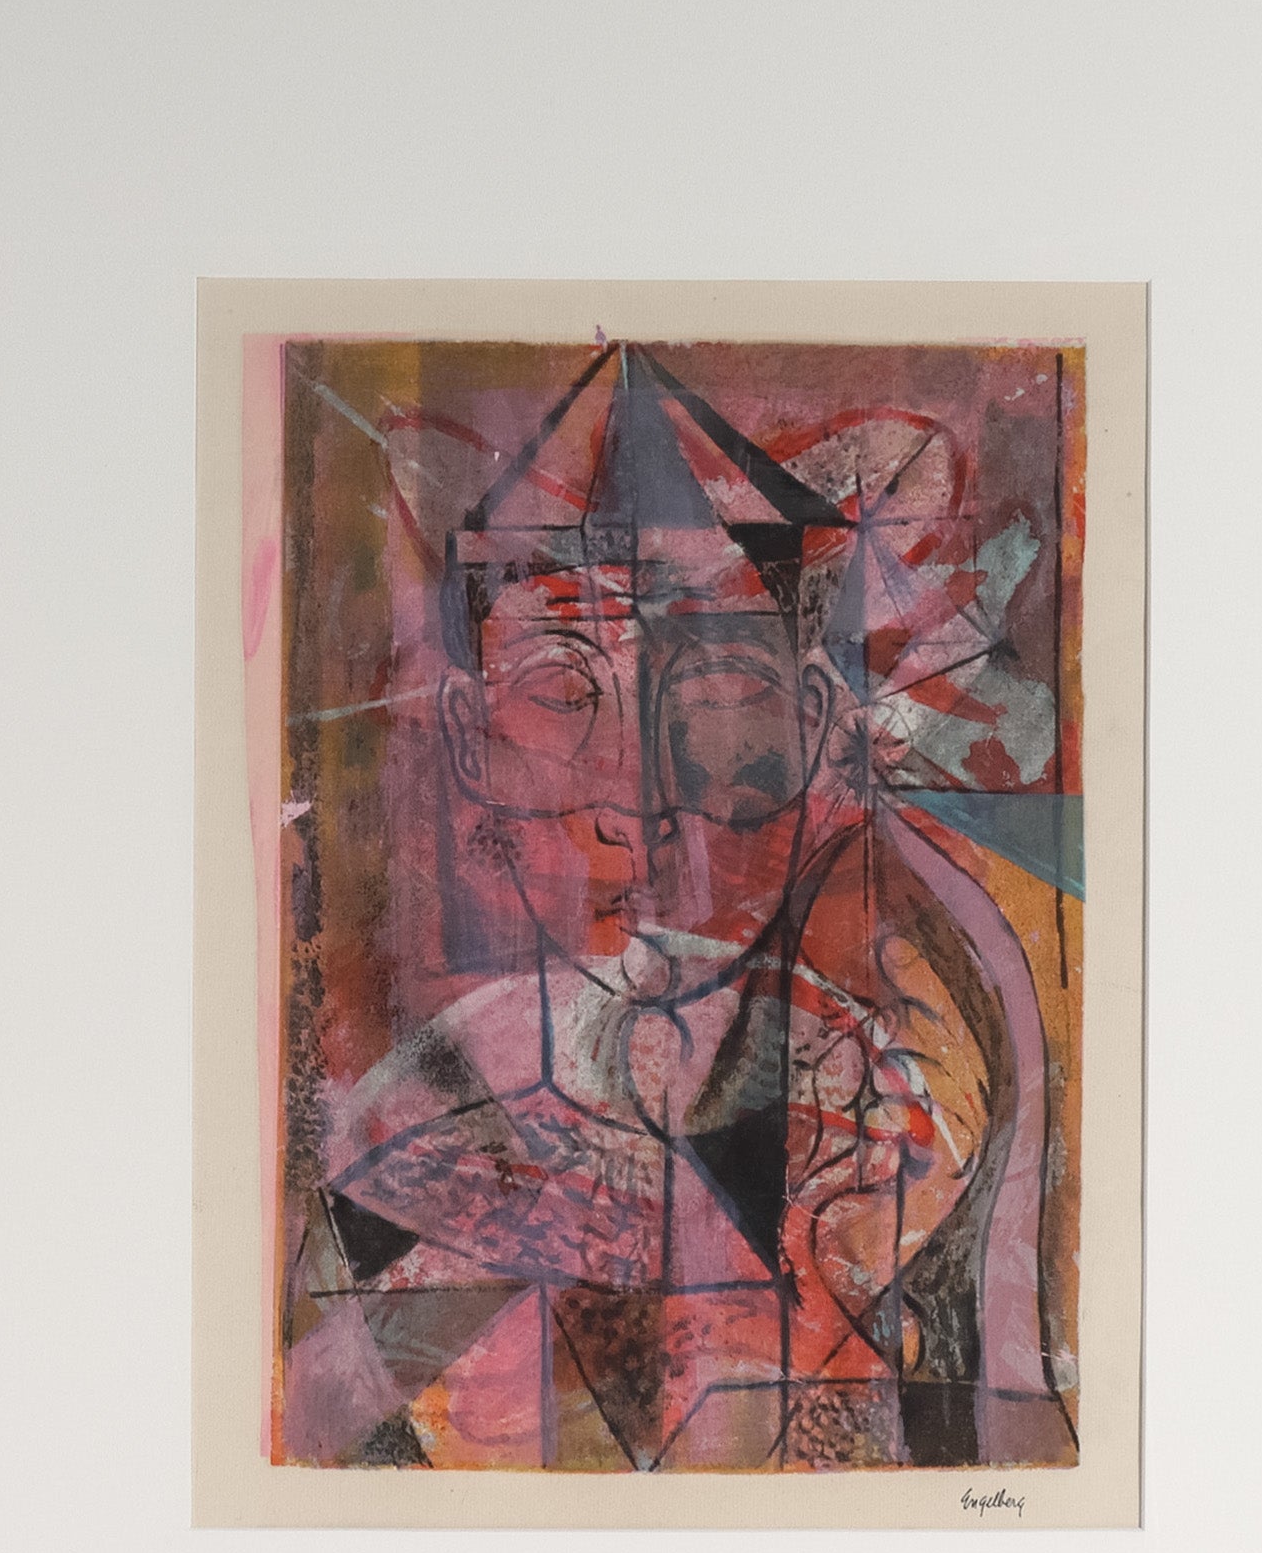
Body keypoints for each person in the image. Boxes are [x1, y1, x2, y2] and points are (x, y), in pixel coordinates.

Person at [280, 344, 1077, 1472]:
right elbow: (323, 1446)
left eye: (716, 695)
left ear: (813, 720)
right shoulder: (428, 1105)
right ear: (467, 734)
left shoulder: (909, 1071)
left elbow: (984, 1449)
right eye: (562, 692)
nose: (636, 795)